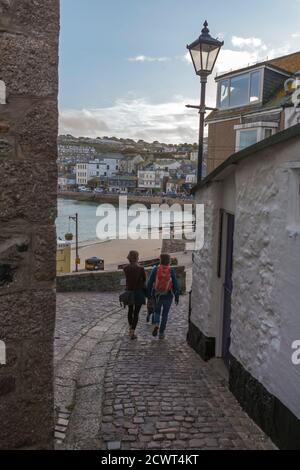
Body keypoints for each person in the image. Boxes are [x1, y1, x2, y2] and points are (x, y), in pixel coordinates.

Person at [147, 254, 179, 340]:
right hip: (168, 295)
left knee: (156, 311)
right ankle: (161, 333)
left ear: (160, 260)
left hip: (156, 294)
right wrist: (176, 296)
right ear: (169, 261)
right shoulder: (171, 270)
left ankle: (156, 324)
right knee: (165, 314)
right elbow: (175, 284)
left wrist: (149, 295)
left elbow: (149, 283)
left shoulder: (155, 269)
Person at [123, 251, 146, 340]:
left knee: (130, 311)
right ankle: (132, 332)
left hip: (129, 292)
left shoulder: (125, 268)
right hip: (138, 293)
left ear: (129, 257)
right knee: (136, 313)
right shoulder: (140, 268)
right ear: (137, 257)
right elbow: (144, 279)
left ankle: (130, 328)